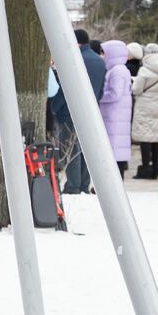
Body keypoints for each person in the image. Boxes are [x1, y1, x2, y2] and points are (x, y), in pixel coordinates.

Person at [53, 28, 107, 195]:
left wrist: (54, 107)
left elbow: (65, 88)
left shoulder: (74, 59)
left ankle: (73, 185)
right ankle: (84, 183)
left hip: (70, 110)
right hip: (91, 110)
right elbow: (101, 90)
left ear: (76, 42)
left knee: (71, 148)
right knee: (86, 148)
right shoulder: (99, 61)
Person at [132, 42, 158, 179]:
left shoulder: (144, 70)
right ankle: (156, 167)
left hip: (145, 104)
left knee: (145, 137)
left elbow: (136, 89)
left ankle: (146, 168)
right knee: (156, 137)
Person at [99, 40, 133, 178]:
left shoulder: (117, 71)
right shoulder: (120, 69)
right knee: (116, 151)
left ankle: (115, 182)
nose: (102, 56)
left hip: (114, 116)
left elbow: (115, 93)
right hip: (116, 116)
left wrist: (99, 96)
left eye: (104, 53)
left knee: (114, 152)